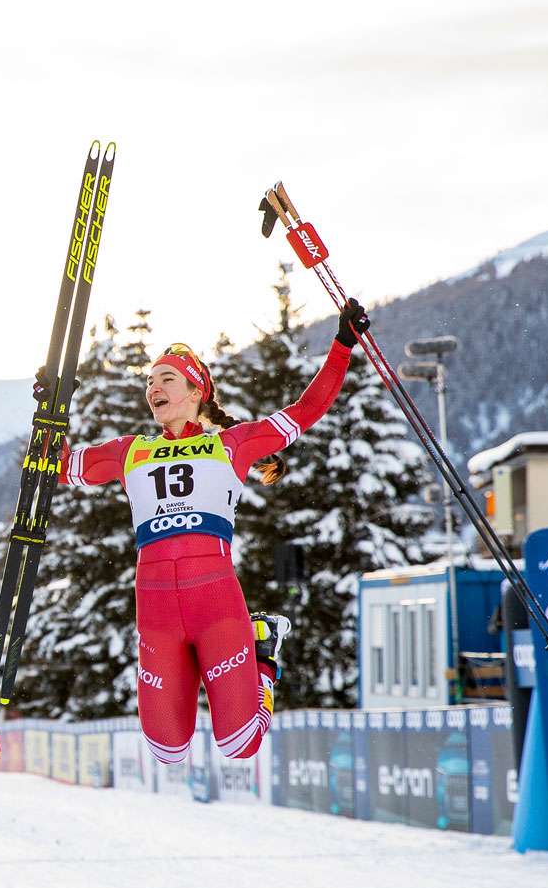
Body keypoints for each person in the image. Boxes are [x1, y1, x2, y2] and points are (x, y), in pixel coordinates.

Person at [57, 298, 370, 765]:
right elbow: (57, 469)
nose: (153, 389)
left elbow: (306, 410)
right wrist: (49, 413)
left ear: (195, 391)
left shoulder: (231, 444)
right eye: (149, 381)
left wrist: (343, 344)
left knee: (239, 745)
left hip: (216, 604)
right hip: (157, 609)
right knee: (167, 750)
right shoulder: (129, 451)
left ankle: (262, 656)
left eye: (166, 379)